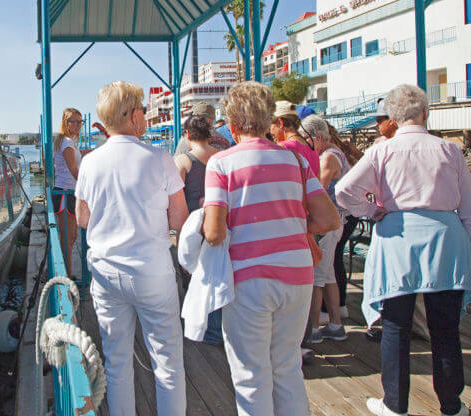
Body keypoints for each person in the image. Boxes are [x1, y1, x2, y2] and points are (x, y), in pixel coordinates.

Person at [202, 81, 340, 416]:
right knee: (287, 367)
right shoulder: (295, 160)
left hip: (250, 279)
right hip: (297, 275)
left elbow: (215, 231)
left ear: (233, 126)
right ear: (268, 122)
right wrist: (290, 226)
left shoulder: (221, 164)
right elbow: (328, 218)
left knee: (252, 376)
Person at [336, 84, 471, 416]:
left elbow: (344, 191)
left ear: (393, 118)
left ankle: (394, 404)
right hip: (445, 237)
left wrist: (371, 212)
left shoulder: (383, 151)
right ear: (425, 112)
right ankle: (452, 405)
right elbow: (467, 208)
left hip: (398, 237)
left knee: (396, 325)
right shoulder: (449, 150)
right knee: (445, 328)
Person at [75, 81, 188, 416]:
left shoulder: (90, 162)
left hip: (107, 273)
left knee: (117, 361)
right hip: (151, 271)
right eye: (141, 109)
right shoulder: (159, 157)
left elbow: (83, 218)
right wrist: (154, 227)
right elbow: (179, 217)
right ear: (131, 115)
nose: (144, 115)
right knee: (167, 362)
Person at [175, 115, 224, 346]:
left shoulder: (183, 161)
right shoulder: (222, 157)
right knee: (217, 274)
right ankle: (216, 327)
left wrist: (175, 234)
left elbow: (175, 201)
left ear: (187, 135)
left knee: (194, 277)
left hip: (193, 226)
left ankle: (199, 325)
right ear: (209, 134)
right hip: (219, 221)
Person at [301, 115, 349, 343]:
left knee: (316, 278)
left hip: (329, 223)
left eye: (306, 139)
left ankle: (313, 330)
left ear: (317, 137)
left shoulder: (328, 157)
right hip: (337, 220)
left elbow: (318, 189)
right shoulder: (334, 153)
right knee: (329, 276)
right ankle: (336, 325)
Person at [320, 124, 362, 324]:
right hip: (348, 213)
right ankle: (339, 308)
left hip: (338, 214)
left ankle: (330, 310)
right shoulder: (340, 151)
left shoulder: (329, 156)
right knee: (335, 261)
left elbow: (320, 189)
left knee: (332, 262)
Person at [51, 108, 82, 278]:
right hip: (65, 192)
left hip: (69, 191)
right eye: (74, 121)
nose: (78, 125)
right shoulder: (67, 143)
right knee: (67, 238)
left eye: (80, 121)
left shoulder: (68, 141)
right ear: (65, 122)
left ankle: (66, 273)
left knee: (71, 236)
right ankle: (66, 276)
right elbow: (73, 169)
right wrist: (89, 186)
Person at [271, 100, 321, 176]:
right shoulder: (313, 149)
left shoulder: (283, 148)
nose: (270, 129)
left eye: (271, 124)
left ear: (280, 123)